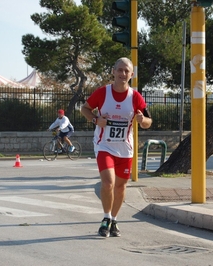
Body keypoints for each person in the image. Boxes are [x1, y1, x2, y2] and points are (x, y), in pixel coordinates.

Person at [80, 57, 152, 237]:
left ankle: (114, 219)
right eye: (119, 70)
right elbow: (84, 109)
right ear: (113, 71)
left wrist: (142, 120)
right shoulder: (103, 93)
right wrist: (96, 120)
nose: (122, 74)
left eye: (126, 71)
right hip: (104, 145)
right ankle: (105, 218)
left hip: (125, 148)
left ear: (131, 75)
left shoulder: (135, 97)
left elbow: (148, 122)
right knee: (108, 182)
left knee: (120, 186)